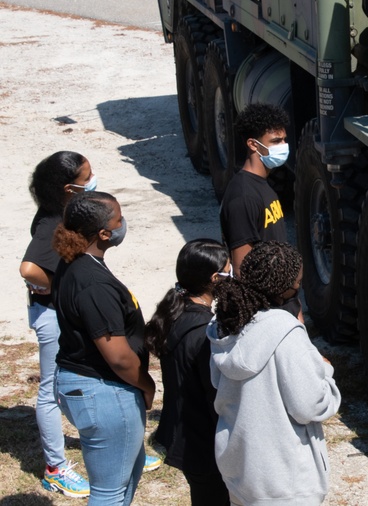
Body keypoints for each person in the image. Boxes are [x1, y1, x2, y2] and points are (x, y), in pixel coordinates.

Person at [207, 241, 340, 506]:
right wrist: (325, 372)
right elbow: (309, 406)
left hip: (240, 471)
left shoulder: (224, 323)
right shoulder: (287, 333)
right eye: (298, 282)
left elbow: (216, 381)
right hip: (285, 482)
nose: (298, 287)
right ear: (283, 288)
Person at [52, 191, 156, 506]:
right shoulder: (93, 284)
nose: (123, 224)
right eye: (118, 220)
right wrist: (147, 385)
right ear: (103, 233)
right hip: (104, 390)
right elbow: (119, 357)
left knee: (129, 470)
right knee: (109, 491)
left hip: (90, 385)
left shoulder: (77, 263)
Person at [19, 151, 94, 497]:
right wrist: (52, 286)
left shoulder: (61, 210)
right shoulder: (52, 223)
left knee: (77, 379)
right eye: (86, 179)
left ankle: (100, 441)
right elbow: (29, 269)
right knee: (50, 392)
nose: (92, 183)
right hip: (51, 316)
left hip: (61, 312)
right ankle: (55, 468)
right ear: (68, 188)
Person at [146, 239, 232, 505]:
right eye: (228, 272)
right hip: (205, 444)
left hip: (186, 437)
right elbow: (215, 394)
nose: (233, 277)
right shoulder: (204, 332)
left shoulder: (176, 314)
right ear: (215, 278)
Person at [219, 103, 290, 276]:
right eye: (275, 141)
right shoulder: (243, 197)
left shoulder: (262, 183)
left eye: (284, 139)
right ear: (253, 144)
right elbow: (241, 268)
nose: (283, 146)